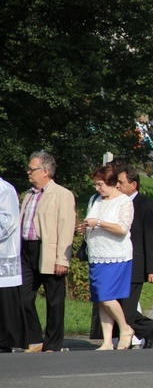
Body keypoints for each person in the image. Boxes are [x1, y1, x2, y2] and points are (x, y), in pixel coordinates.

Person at [20, 151, 76, 353]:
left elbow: (66, 227)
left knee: (54, 301)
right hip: (27, 251)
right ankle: (35, 339)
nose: (28, 172)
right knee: (23, 297)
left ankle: (52, 344)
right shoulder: (29, 194)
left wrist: (63, 259)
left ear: (45, 172)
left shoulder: (62, 194)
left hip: (49, 251)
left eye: (32, 168)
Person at [79, 165, 135, 350]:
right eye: (95, 184)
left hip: (115, 255)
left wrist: (100, 223)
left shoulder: (124, 202)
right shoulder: (95, 200)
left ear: (111, 183)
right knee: (100, 299)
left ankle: (125, 328)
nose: (97, 188)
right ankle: (107, 341)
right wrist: (85, 227)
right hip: (97, 255)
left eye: (100, 184)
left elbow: (122, 229)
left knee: (106, 296)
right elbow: (92, 221)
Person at [116, 165, 153, 349]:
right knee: (114, 304)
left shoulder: (146, 206)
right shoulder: (117, 203)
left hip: (136, 264)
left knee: (126, 308)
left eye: (121, 182)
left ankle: (142, 330)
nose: (117, 186)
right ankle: (147, 328)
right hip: (117, 262)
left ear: (133, 184)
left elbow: (152, 238)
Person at [0, 174, 25, 352]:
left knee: (5, 301)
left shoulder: (5, 190)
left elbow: (8, 223)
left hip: (4, 253)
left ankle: (5, 342)